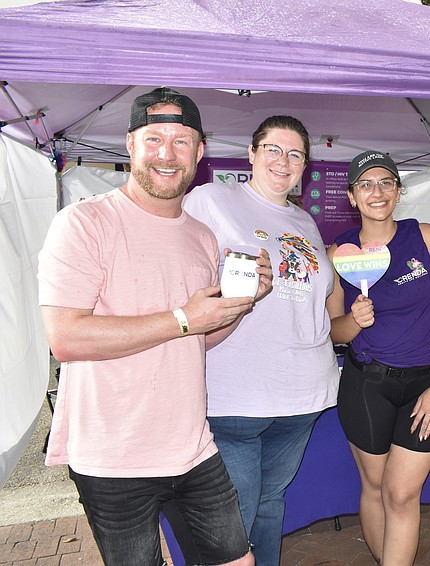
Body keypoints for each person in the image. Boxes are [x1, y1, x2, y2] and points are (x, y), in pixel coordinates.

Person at [38, 87, 272, 566]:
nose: (167, 154)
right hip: (111, 455)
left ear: (200, 152)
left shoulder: (202, 238)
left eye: (181, 141)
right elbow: (66, 338)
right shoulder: (82, 223)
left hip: (191, 446)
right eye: (154, 139)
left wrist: (241, 305)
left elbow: (197, 340)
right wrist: (183, 318)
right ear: (130, 144)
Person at [182, 115, 339, 565]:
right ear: (251, 154)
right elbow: (177, 271)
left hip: (304, 396)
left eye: (295, 154)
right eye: (273, 149)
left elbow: (315, 302)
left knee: (271, 504)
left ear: (305, 166)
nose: (283, 161)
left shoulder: (305, 221)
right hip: (236, 395)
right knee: (234, 516)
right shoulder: (212, 199)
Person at [327, 151, 430, 566]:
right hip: (366, 385)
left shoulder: (426, 236)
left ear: (399, 191)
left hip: (425, 383)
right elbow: (334, 331)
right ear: (351, 196)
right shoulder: (339, 254)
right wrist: (354, 320)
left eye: (386, 182)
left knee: (402, 493)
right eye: (365, 184)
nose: (377, 191)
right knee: (375, 486)